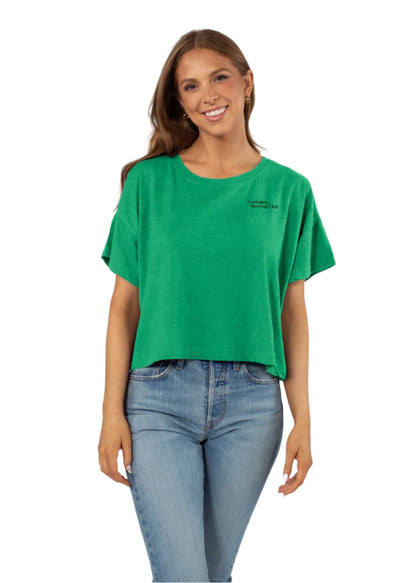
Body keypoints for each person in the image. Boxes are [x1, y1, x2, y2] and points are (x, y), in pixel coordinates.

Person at [98, 28, 336, 583]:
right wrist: (111, 412)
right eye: (190, 85)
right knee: (185, 574)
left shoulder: (290, 190)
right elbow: (124, 307)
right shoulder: (148, 183)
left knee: (211, 573)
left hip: (252, 406)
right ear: (179, 101)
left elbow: (292, 313)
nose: (208, 94)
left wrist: (303, 416)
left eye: (220, 77)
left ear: (247, 83)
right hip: (157, 398)